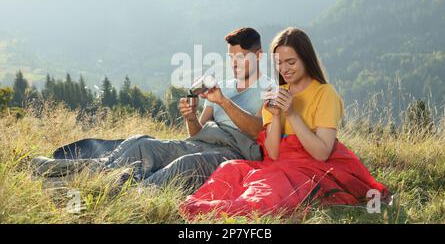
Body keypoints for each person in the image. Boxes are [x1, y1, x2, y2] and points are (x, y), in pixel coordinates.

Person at [180, 27, 390, 218]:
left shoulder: (325, 94)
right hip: (278, 163)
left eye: (291, 62)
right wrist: (276, 116)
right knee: (230, 168)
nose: (285, 69)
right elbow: (272, 153)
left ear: (306, 59)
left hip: (312, 167)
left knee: (265, 193)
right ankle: (202, 207)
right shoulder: (275, 94)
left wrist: (291, 114)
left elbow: (322, 153)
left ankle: (216, 211)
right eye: (279, 63)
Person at [31, 27, 269, 192]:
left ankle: (122, 193)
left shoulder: (267, 88)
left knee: (183, 165)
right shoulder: (222, 87)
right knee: (142, 144)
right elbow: (197, 132)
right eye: (231, 57)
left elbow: (257, 131)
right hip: (201, 144)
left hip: (233, 155)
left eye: (242, 57)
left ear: (258, 55)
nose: (235, 63)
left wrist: (224, 103)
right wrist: (190, 117)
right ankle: (62, 171)